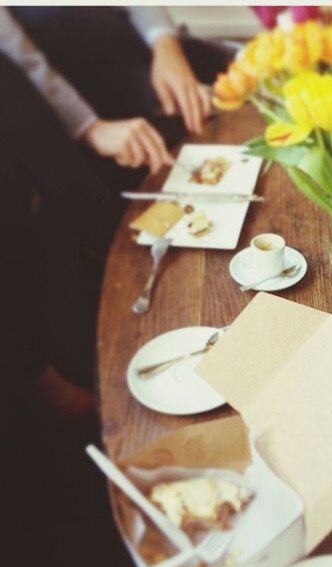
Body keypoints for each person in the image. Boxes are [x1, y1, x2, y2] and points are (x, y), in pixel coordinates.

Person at [0, 7, 233, 410]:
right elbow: (15, 52)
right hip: (36, 85)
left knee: (221, 73)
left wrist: (166, 43)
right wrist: (88, 126)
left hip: (107, 46)